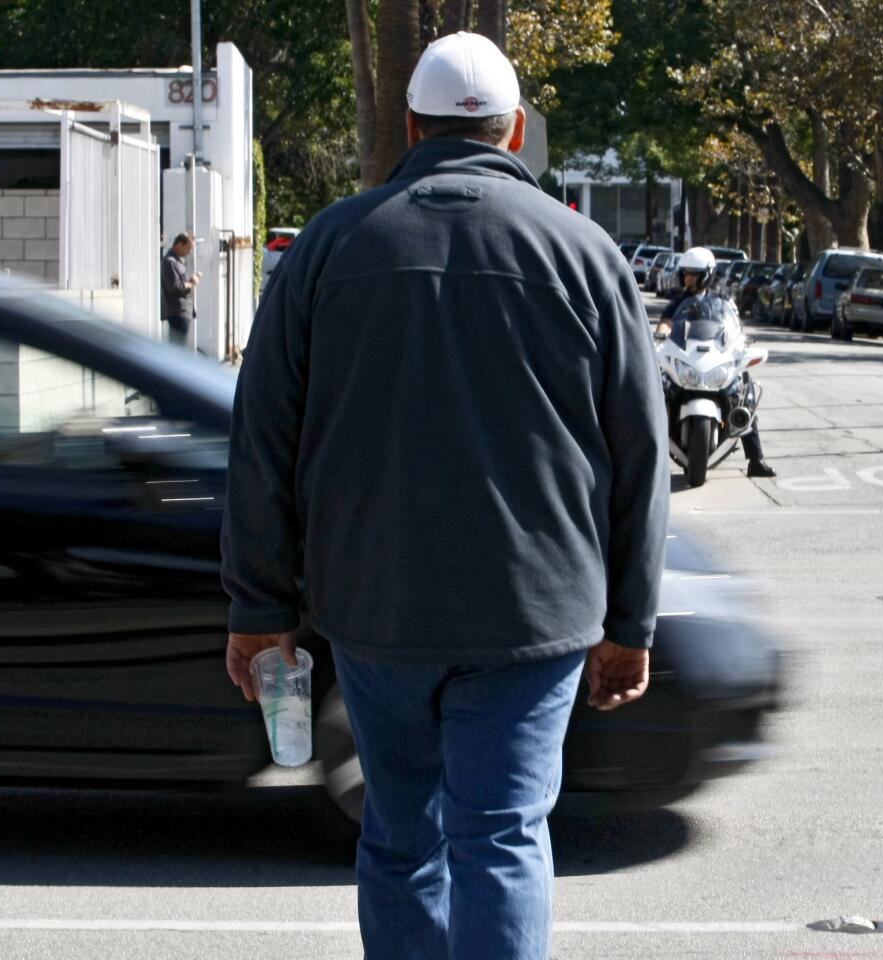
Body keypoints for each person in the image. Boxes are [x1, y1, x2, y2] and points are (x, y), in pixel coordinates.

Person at [221, 32, 669, 960]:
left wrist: (259, 609)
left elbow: (262, 440)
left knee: (398, 834)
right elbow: (639, 455)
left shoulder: (328, 248)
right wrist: (632, 622)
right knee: (501, 837)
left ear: (411, 126)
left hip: (376, 606)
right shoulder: (585, 255)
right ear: (513, 135)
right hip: (533, 613)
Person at [656, 247, 776, 479]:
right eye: (686, 273)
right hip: (687, 358)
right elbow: (666, 323)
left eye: (694, 274)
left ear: (707, 275)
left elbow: (734, 326)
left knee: (744, 391)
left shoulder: (723, 301)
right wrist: (660, 335)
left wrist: (740, 343)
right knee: (659, 389)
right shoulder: (678, 301)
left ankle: (756, 459)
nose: (689, 278)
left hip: (713, 359)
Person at [162, 232, 200, 347]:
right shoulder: (170, 261)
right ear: (179, 244)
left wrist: (190, 281)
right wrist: (191, 283)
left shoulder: (176, 261)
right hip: (178, 312)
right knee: (178, 347)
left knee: (179, 346)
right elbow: (174, 287)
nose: (189, 252)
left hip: (183, 312)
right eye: (188, 248)